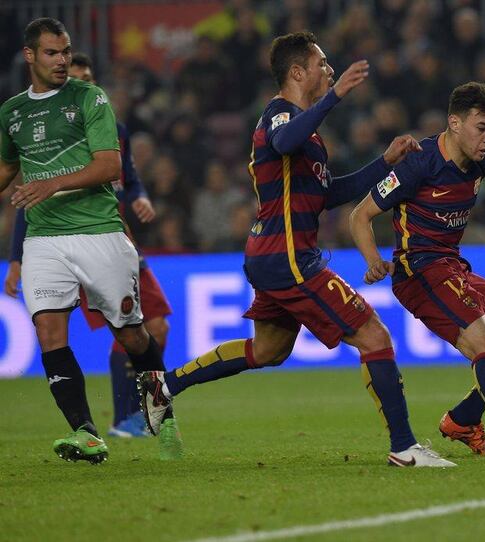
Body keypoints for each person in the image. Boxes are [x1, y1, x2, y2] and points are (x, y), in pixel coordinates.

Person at [138, 31, 455, 467]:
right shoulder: (278, 115)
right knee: (374, 335)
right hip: (289, 258)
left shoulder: (310, 134)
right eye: (322, 64)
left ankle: (165, 384)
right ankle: (404, 447)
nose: (329, 70)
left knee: (268, 351)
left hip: (274, 255)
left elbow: (329, 193)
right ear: (297, 72)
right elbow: (284, 142)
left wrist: (385, 163)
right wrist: (336, 95)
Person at [0, 18, 180, 463]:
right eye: (51, 53)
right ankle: (86, 432)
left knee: (133, 333)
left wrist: (50, 185)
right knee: (48, 330)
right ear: (29, 56)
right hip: (43, 237)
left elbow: (109, 167)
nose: (62, 61)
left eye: (65, 52)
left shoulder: (90, 98)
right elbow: (5, 171)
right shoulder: (12, 112)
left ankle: (163, 411)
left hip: (98, 231)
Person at [349, 82, 485, 463]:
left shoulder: (480, 163)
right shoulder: (419, 163)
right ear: (455, 123)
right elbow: (359, 215)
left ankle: (463, 419)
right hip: (418, 273)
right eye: (482, 127)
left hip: (452, 267)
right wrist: (372, 260)